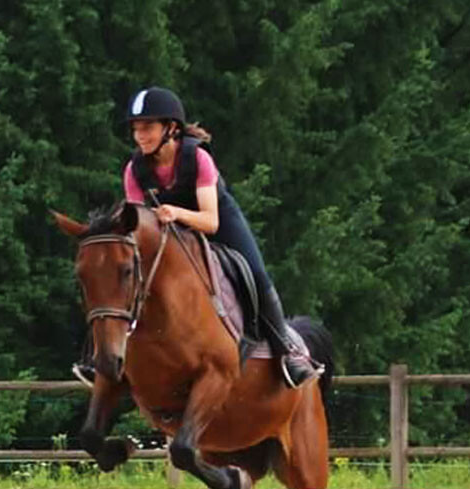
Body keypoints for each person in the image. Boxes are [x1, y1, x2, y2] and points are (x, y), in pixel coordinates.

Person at [75, 86, 322, 389]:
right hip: (169, 232)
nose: (140, 136)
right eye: (136, 129)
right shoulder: (134, 170)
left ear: (171, 128)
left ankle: (288, 352)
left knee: (255, 273)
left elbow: (210, 221)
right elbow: (137, 223)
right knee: (121, 280)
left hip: (216, 221)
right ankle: (97, 356)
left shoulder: (197, 159)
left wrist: (177, 213)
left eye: (148, 128)